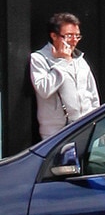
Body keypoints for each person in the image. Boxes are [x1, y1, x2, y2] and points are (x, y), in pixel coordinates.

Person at [31, 12, 99, 141]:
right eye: (69, 36)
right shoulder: (39, 59)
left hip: (85, 128)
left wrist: (98, 124)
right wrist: (61, 61)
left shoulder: (80, 60)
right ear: (54, 36)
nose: (74, 41)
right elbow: (44, 90)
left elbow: (92, 95)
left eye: (77, 36)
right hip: (56, 133)